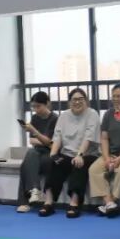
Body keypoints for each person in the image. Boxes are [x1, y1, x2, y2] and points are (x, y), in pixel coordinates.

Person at [38, 88, 100, 219]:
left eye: (81, 99)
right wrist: (53, 154)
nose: (77, 102)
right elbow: (57, 137)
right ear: (69, 102)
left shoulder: (92, 114)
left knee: (79, 164)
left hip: (88, 153)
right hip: (67, 153)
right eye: (74, 99)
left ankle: (74, 203)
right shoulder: (64, 116)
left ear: (86, 101)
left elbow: (88, 137)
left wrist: (80, 155)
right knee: (54, 163)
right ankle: (48, 202)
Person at [88, 83, 120, 216]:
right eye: (113, 96)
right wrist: (106, 158)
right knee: (94, 170)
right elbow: (104, 138)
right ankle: (109, 203)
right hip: (111, 154)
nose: (115, 99)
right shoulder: (108, 114)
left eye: (119, 96)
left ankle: (110, 203)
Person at [16, 92, 58, 213]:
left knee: (27, 163)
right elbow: (32, 141)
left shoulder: (55, 119)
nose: (36, 109)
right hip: (38, 151)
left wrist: (35, 132)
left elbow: (51, 143)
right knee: (29, 156)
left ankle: (25, 200)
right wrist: (43, 140)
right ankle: (34, 190)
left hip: (51, 153)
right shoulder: (35, 118)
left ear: (47, 104)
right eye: (33, 107)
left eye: (38, 106)